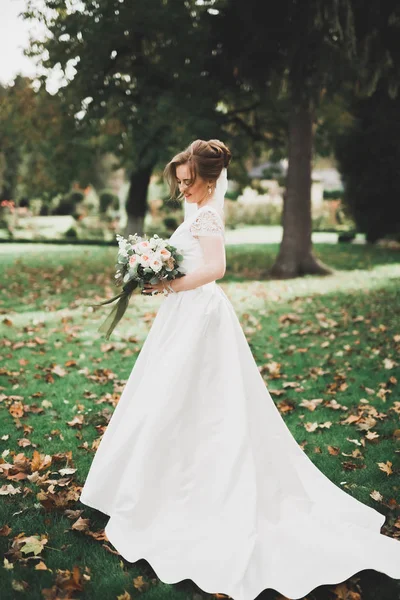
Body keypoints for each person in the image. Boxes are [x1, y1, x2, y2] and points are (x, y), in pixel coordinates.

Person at [79, 139, 400, 600]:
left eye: (189, 182)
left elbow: (217, 267)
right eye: (181, 182)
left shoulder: (207, 215)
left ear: (209, 180)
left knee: (196, 400)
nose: (183, 190)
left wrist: (168, 281)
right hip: (184, 315)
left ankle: (190, 490)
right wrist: (156, 275)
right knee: (166, 397)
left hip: (201, 316)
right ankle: (148, 484)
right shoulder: (196, 211)